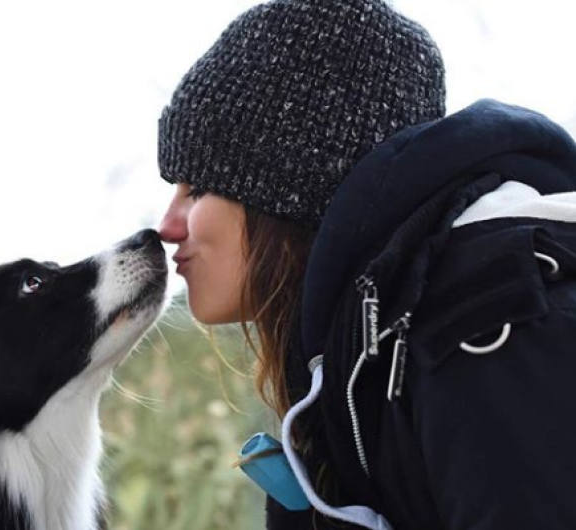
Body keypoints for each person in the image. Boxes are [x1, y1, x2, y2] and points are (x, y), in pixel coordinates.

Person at [156, 0, 576, 529]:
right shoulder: (351, 361)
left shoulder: (495, 333)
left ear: (288, 185)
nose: (168, 225)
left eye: (197, 188)